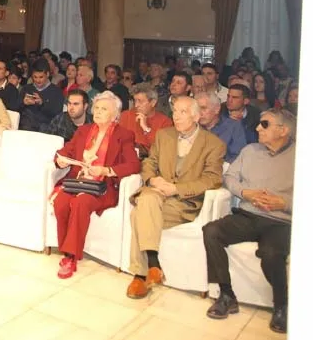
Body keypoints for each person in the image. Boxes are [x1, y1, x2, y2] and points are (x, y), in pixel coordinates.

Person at [202, 109, 294, 334]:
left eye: (265, 124)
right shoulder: (250, 150)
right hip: (248, 214)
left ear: (283, 130)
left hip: (280, 221)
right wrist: (245, 193)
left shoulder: (301, 156)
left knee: (271, 253)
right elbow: (229, 177)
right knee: (211, 231)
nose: (257, 128)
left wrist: (284, 203)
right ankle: (226, 295)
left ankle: (281, 306)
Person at [125, 96, 226, 299]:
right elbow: (149, 163)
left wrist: (176, 189)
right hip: (156, 193)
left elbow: (212, 180)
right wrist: (152, 179)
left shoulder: (214, 144)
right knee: (148, 200)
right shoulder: (164, 135)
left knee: (138, 213)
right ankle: (152, 266)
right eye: (174, 112)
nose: (176, 117)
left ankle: (141, 273)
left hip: (183, 202)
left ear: (196, 116)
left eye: (183, 112)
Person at [52, 91, 140, 278]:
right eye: (97, 108)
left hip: (102, 187)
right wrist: (60, 160)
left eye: (104, 109)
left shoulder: (124, 135)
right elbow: (65, 151)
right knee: (61, 202)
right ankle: (65, 248)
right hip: (78, 182)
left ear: (115, 115)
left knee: (80, 202)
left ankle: (70, 256)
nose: (98, 112)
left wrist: (106, 170)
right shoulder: (83, 131)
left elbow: (134, 165)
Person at [120, 83, 172, 157]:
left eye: (140, 101)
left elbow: (162, 149)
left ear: (153, 102)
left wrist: (146, 128)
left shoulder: (165, 122)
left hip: (150, 161)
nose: (136, 105)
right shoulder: (125, 115)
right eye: (135, 101)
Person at [196, 92, 248, 164]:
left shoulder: (233, 126)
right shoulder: (192, 127)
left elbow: (238, 157)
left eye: (203, 108)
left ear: (217, 109)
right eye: (197, 109)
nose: (199, 113)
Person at [19, 59, 64, 133]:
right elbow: (16, 110)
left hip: (46, 129)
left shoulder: (56, 91)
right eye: (35, 77)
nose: (38, 80)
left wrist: (42, 104)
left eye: (41, 77)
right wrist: (23, 103)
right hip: (26, 128)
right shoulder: (26, 88)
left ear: (47, 74)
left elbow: (57, 114)